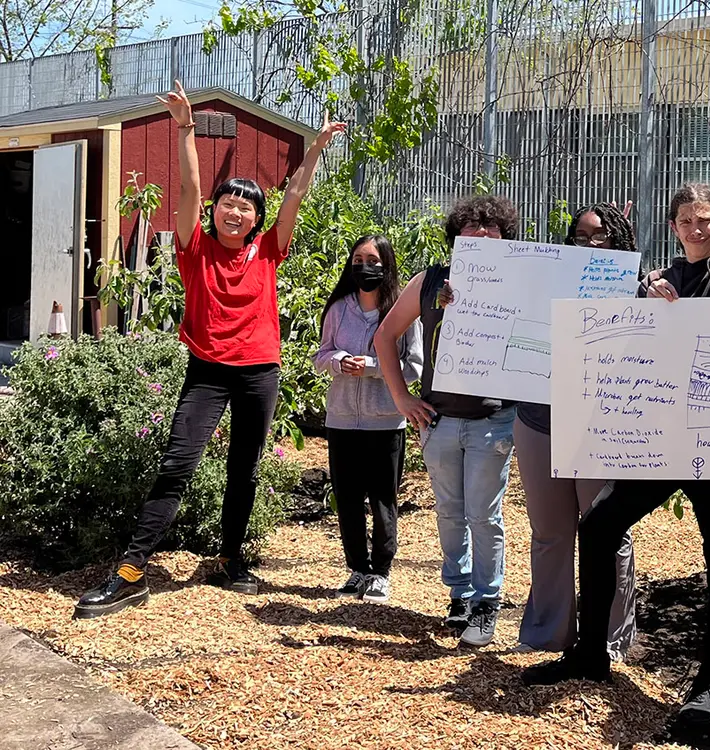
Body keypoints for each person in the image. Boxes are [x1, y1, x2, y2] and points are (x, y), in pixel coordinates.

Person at [522, 74, 710, 725]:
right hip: (661, 436)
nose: (695, 228)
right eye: (685, 221)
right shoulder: (658, 278)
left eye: (705, 221)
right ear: (672, 226)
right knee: (599, 524)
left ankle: (708, 688)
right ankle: (589, 656)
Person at [74, 82, 344, 620]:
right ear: (214, 211)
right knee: (178, 464)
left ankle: (228, 558)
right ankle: (130, 572)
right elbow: (188, 190)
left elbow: (293, 197)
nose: (235, 211)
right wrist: (184, 127)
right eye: (228, 203)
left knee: (244, 469)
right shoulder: (193, 248)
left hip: (259, 372)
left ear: (255, 218)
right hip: (208, 372)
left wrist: (314, 149)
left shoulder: (268, 251)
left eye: (245, 205)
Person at [373, 195, 520, 648]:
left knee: (484, 514)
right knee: (450, 513)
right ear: (455, 237)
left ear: (505, 235)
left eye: (491, 227)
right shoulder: (430, 281)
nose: (481, 234)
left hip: (492, 421)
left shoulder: (520, 280)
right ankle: (460, 595)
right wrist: (403, 399)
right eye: (471, 228)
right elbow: (385, 336)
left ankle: (488, 601)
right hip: (439, 422)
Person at [514, 202, 640, 658]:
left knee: (605, 529)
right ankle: (548, 634)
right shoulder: (545, 281)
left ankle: (610, 638)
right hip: (538, 421)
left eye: (601, 236)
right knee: (550, 533)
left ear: (620, 241)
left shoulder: (634, 290)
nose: (589, 245)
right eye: (580, 237)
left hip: (598, 428)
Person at [314, 235, 423, 604]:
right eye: (358, 259)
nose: (365, 266)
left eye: (373, 259)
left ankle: (381, 572)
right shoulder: (339, 309)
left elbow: (413, 369)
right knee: (346, 498)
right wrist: (338, 361)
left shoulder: (402, 313)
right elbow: (321, 355)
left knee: (382, 499)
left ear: (387, 265)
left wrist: (375, 368)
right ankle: (357, 569)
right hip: (342, 418)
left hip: (385, 421)